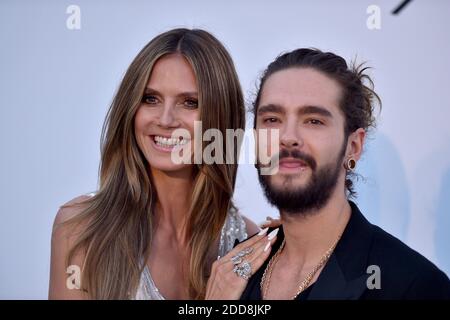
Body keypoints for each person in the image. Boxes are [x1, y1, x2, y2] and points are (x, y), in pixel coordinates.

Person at [48, 28, 263, 300]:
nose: (165, 119)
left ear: (220, 117)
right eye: (151, 98)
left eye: (189, 102)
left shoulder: (245, 242)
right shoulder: (81, 228)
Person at [233, 48, 450, 299]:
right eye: (272, 119)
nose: (288, 137)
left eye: (314, 120)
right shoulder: (233, 271)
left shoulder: (414, 286)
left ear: (353, 146)